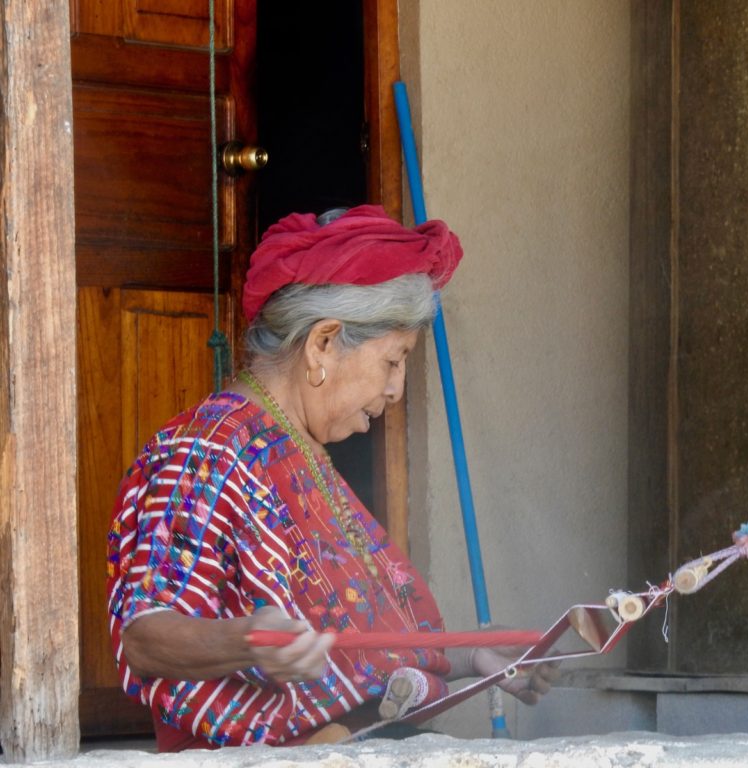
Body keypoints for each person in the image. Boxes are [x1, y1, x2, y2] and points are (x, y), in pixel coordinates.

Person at [106, 205, 559, 751]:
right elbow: (145, 636)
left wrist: (471, 655)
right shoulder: (205, 452)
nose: (396, 390)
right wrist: (248, 639)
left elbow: (359, 654)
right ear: (322, 343)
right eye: (395, 361)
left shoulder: (298, 453)